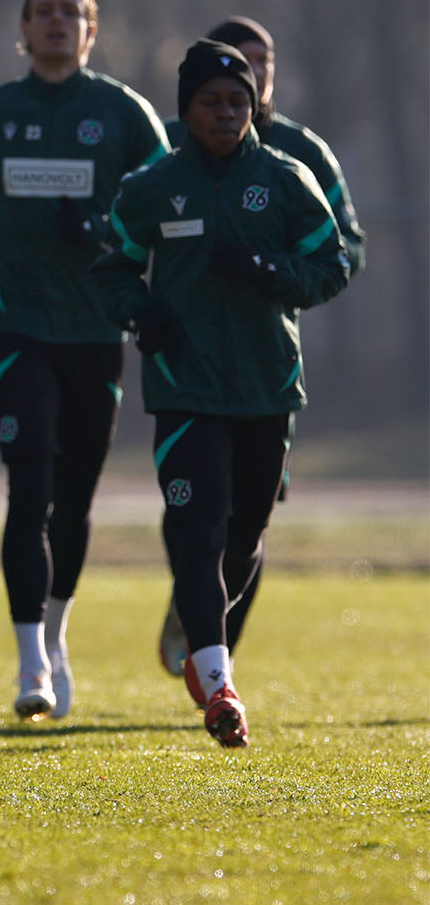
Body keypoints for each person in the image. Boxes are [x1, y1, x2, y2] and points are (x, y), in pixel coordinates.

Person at [94, 39, 347, 747]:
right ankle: (220, 686)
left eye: (238, 100)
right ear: (187, 108)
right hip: (185, 390)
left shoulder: (288, 178)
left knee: (242, 542)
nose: (227, 112)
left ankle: (199, 627)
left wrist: (271, 269)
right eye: (212, 100)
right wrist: (140, 313)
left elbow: (332, 265)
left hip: (268, 388)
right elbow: (112, 265)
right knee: (197, 531)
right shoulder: (150, 186)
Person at [0, 0, 168, 722]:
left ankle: (58, 634)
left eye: (71, 12)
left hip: (96, 329)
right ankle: (30, 660)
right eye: (44, 11)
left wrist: (104, 236)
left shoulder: (122, 113)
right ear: (24, 28)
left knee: (72, 503)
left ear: (91, 28)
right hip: (14, 325)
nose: (57, 22)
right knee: (27, 485)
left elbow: (166, 198)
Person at [154, 16, 368, 677]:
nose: (254, 72)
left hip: (265, 368)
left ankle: (214, 640)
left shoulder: (300, 157)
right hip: (188, 373)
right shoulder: (167, 153)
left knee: (249, 519)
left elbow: (346, 249)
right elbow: (122, 236)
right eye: (240, 61)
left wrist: (276, 274)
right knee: (194, 513)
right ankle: (204, 635)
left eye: (262, 60)